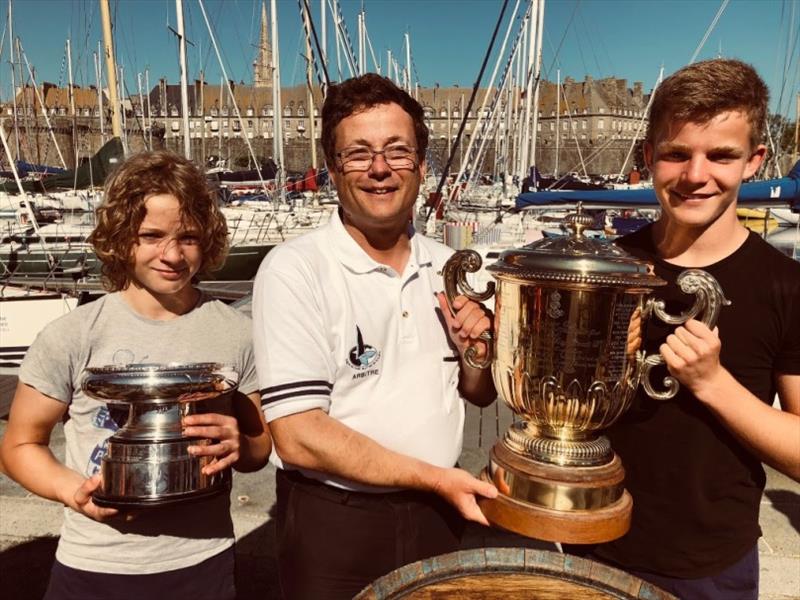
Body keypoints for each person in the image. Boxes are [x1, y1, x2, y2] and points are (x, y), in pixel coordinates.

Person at [252, 73, 499, 599]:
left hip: (439, 513)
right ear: (333, 169)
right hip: (336, 524)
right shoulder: (295, 269)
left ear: (421, 167)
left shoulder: (451, 265)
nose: (380, 169)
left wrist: (476, 355)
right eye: (359, 153)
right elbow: (297, 435)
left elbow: (478, 393)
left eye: (397, 151)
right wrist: (433, 478)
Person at [572, 59, 800, 599]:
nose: (696, 175)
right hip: (588, 546)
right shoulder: (602, 270)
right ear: (650, 157)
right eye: (677, 154)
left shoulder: (786, 285)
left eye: (721, 155)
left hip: (709, 569)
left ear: (754, 161)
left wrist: (712, 382)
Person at [0, 150, 271, 600]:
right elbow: (19, 445)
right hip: (94, 564)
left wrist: (241, 443)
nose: (172, 255)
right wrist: (73, 490)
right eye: (151, 235)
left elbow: (259, 450)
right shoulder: (72, 335)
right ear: (121, 238)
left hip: (201, 562)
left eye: (188, 237)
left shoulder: (238, 333)